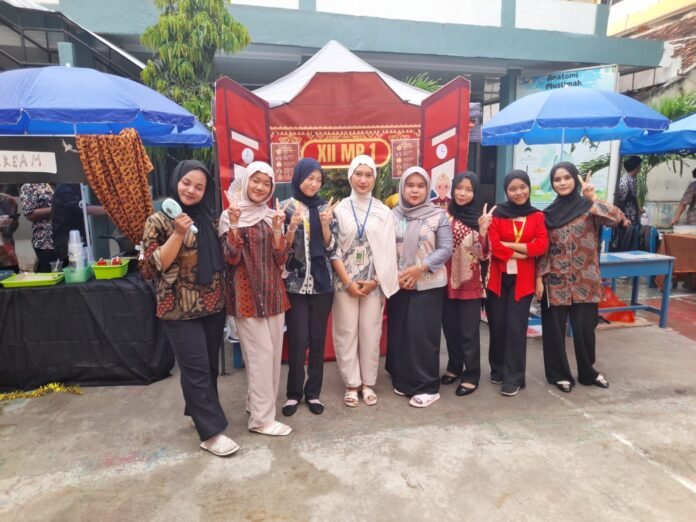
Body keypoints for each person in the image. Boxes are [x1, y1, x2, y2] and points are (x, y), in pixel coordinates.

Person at [141, 160, 236, 457]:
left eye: (199, 187)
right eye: (186, 183)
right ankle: (210, 433)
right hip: (178, 308)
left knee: (208, 367)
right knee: (195, 368)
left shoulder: (209, 218)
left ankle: (199, 413)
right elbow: (151, 267)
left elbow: (226, 258)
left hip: (212, 302)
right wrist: (178, 234)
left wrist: (232, 226)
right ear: (176, 181)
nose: (191, 190)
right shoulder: (158, 220)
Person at [536, 162, 628, 392]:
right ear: (552, 184)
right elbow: (543, 250)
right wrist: (539, 277)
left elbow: (618, 219)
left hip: (586, 281)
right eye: (557, 179)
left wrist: (593, 197)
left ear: (575, 179)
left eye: (567, 177)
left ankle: (588, 372)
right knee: (554, 331)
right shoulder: (548, 215)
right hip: (555, 281)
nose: (562, 183)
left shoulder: (590, 208)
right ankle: (559, 374)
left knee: (585, 330)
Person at [220, 161, 292, 437]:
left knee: (271, 356)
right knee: (260, 356)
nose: (260, 187)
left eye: (266, 183)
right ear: (246, 181)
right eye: (256, 180)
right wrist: (234, 225)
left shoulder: (271, 215)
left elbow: (280, 259)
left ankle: (257, 405)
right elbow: (230, 258)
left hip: (273, 294)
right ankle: (262, 421)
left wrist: (279, 230)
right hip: (246, 295)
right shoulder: (230, 215)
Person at [331, 155, 399, 408]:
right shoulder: (339, 209)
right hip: (345, 282)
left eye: (368, 175)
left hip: (373, 282)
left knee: (371, 331)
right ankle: (351, 383)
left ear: (374, 178)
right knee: (346, 331)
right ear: (350, 176)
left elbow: (389, 250)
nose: (363, 180)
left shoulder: (383, 211)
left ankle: (368, 382)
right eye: (358, 174)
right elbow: (333, 248)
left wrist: (376, 281)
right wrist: (348, 282)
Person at [386, 166, 452, 408]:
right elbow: (384, 247)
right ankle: (404, 381)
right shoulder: (392, 215)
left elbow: (445, 249)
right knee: (401, 333)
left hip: (428, 284)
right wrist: (396, 274)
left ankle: (427, 387)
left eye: (420, 186)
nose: (415, 190)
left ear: (427, 189)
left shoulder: (437, 215)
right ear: (402, 187)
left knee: (423, 336)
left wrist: (420, 268)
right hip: (399, 283)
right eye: (410, 185)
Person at [280, 158, 337, 417]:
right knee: (297, 339)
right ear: (298, 177)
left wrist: (325, 224)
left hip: (322, 284)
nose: (314, 184)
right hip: (295, 284)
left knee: (317, 339)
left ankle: (313, 392)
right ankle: (293, 394)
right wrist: (291, 227)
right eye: (309, 178)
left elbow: (331, 247)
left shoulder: (326, 208)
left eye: (318, 180)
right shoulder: (285, 207)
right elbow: (282, 250)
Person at [487, 170, 548, 397]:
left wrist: (512, 247)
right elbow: (493, 245)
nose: (518, 192)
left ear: (529, 187)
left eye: (522, 187)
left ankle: (514, 377)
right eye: (512, 189)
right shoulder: (497, 214)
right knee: (497, 325)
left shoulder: (537, 216)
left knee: (516, 327)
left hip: (523, 280)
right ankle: (497, 369)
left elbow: (541, 245)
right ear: (506, 191)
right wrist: (523, 251)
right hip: (498, 277)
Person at [441, 172, 493, 397]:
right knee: (450, 328)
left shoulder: (480, 218)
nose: (462, 193)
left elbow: (484, 255)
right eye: (459, 188)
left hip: (469, 283)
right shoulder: (444, 214)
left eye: (469, 189)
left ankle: (471, 375)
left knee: (468, 332)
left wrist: (483, 232)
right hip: (444, 282)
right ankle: (454, 366)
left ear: (476, 192)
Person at [51, 183, 107, 264]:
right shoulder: (64, 189)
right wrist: (112, 211)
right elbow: (85, 209)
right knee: (73, 267)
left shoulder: (77, 187)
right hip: (67, 242)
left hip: (79, 238)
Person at [20, 183, 56, 272]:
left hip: (68, 240)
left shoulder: (59, 183)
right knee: (50, 275)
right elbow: (30, 214)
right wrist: (57, 209)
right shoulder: (30, 186)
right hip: (46, 242)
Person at [615, 155, 642, 225]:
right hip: (625, 218)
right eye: (640, 165)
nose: (641, 167)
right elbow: (619, 201)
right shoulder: (624, 182)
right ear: (636, 166)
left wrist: (638, 208)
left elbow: (634, 197)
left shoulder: (633, 179)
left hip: (632, 216)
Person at [0, 191, 20, 273]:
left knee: (12, 277)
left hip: (7, 252)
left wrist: (13, 221)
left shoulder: (9, 201)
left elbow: (12, 229)